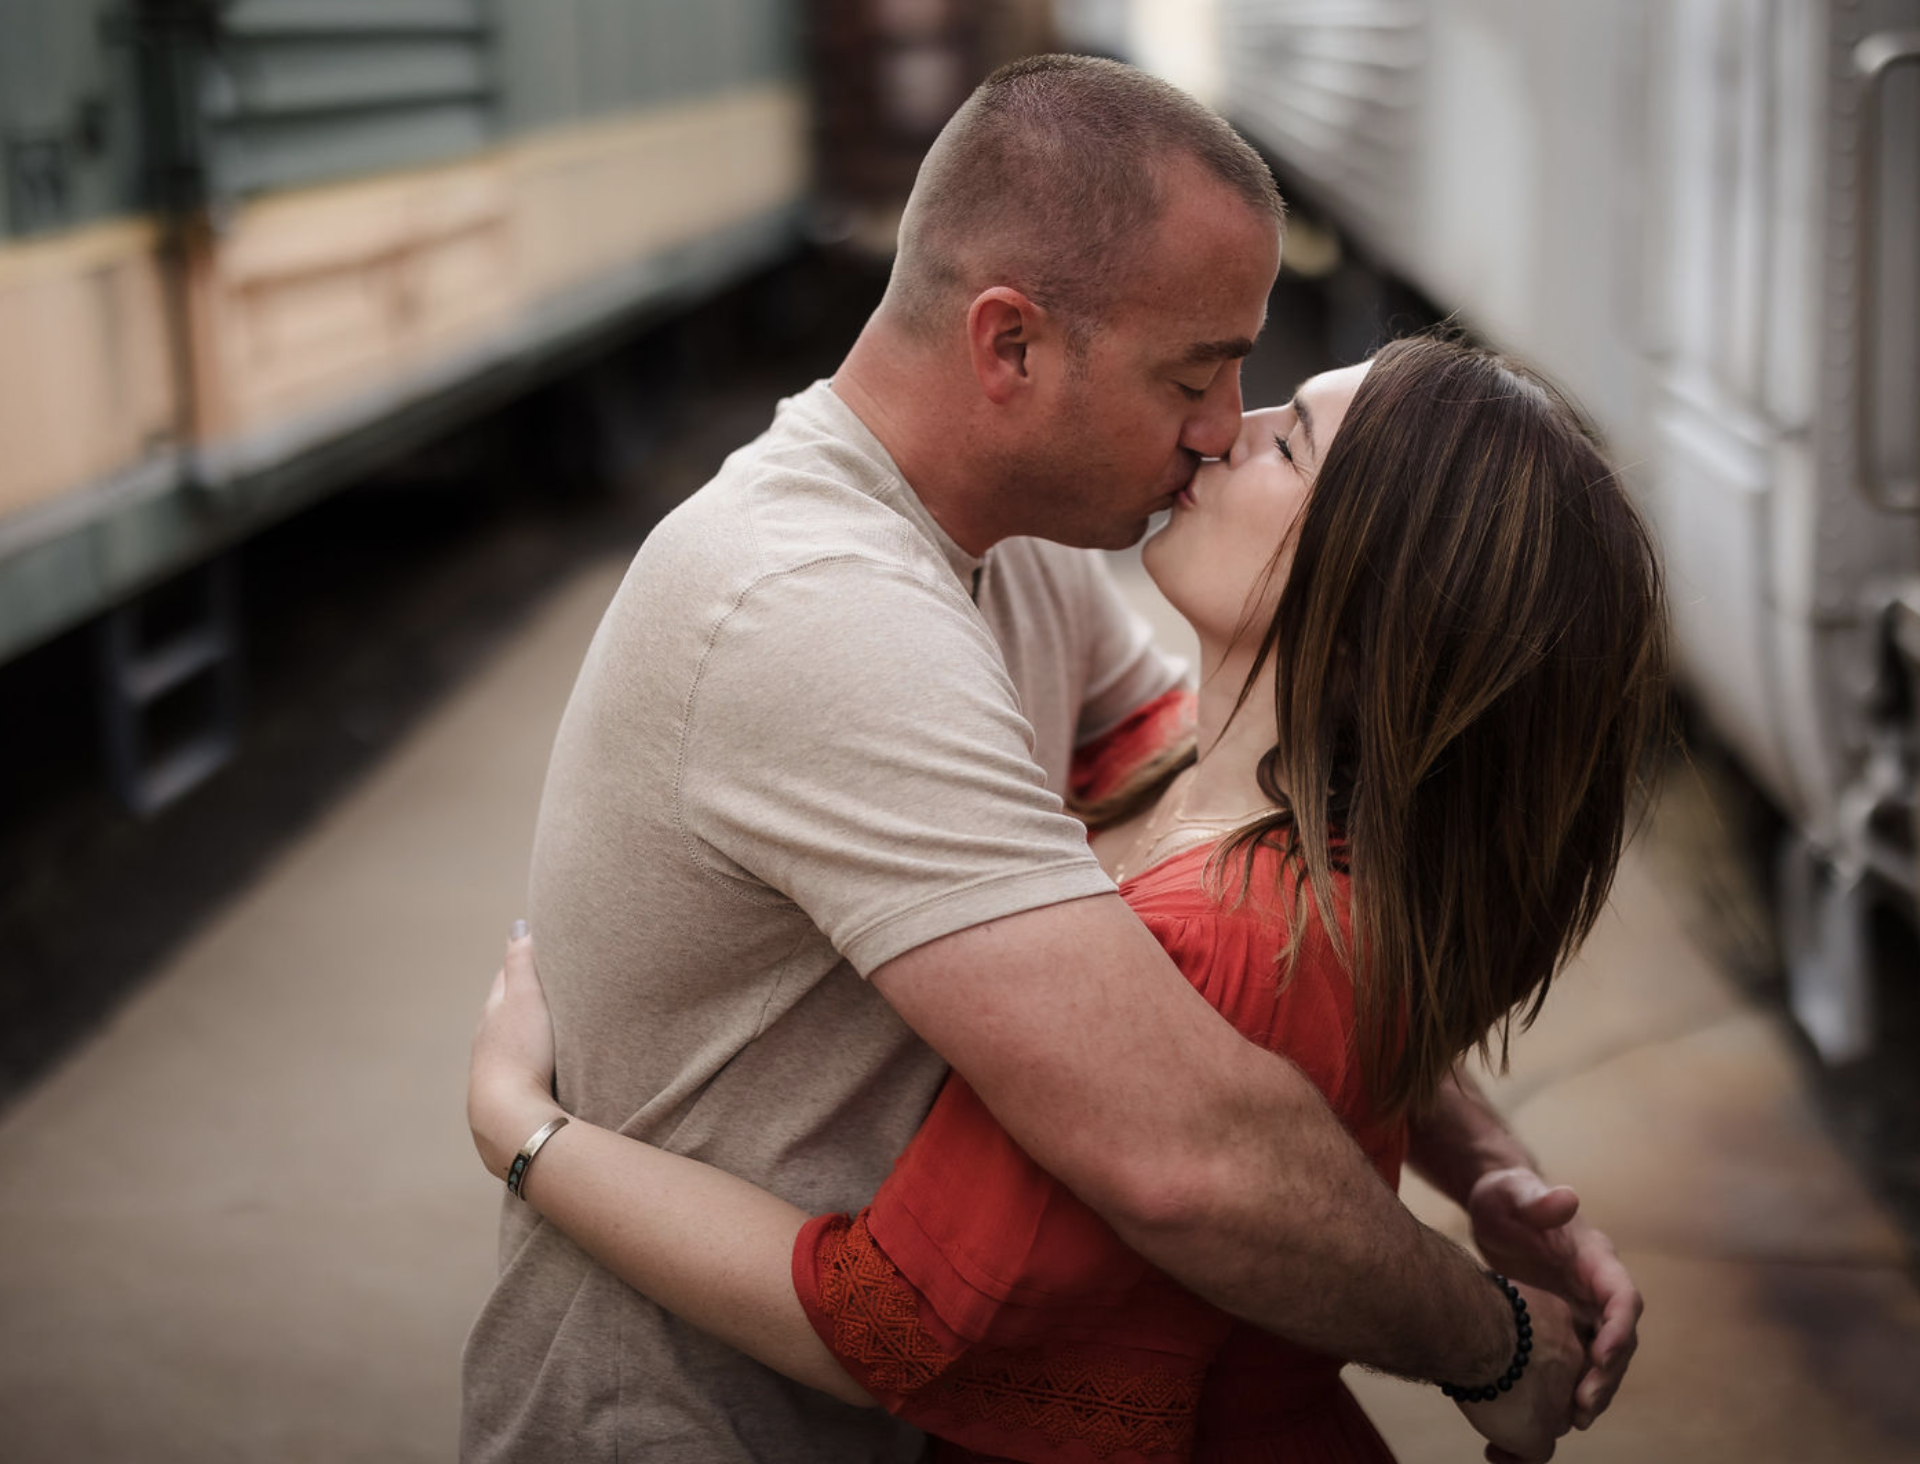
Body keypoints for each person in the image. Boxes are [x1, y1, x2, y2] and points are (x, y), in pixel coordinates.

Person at [460, 55, 1639, 1464]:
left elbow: (1251, 871)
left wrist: (1486, 1164)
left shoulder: (1016, 550)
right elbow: (1189, 1141)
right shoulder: (815, 609)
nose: (1222, 427)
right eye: (1194, 375)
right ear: (1010, 346)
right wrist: (1491, 1340)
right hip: (693, 1425)